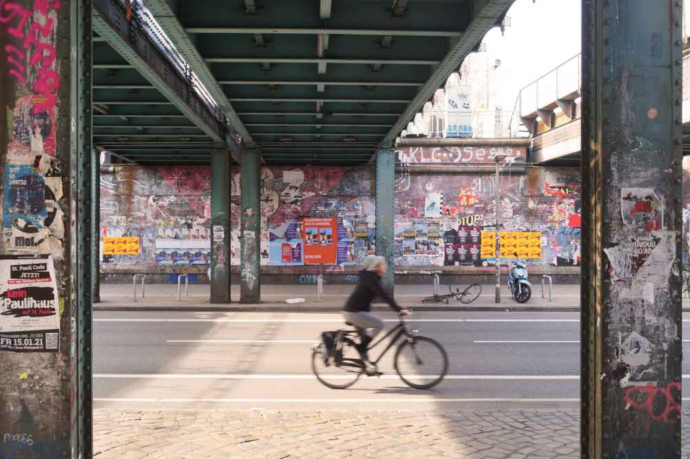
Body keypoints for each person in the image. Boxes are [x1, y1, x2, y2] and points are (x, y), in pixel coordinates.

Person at [343, 256, 409, 369]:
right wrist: (398, 309)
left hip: (355, 311)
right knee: (379, 324)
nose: (385, 267)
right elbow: (384, 295)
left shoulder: (371, 277)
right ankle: (362, 350)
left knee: (365, 341)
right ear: (376, 267)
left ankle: (368, 366)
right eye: (383, 264)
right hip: (354, 313)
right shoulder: (371, 278)